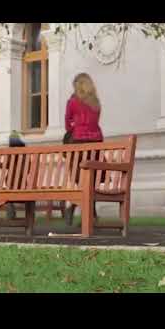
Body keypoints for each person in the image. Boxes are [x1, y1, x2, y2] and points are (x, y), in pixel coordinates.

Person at [63, 73, 104, 226]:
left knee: (80, 178)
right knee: (91, 179)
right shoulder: (96, 102)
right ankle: (91, 214)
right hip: (96, 143)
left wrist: (75, 126)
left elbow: (67, 124)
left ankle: (73, 204)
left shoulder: (73, 102)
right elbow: (95, 121)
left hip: (78, 143)